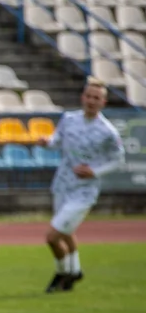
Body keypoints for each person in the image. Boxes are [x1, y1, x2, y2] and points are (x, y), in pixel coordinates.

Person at [39, 78, 125, 293]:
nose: (91, 101)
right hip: (62, 184)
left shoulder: (108, 132)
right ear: (82, 97)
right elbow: (57, 141)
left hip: (84, 191)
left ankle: (62, 273)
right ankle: (74, 271)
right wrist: (47, 142)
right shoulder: (69, 119)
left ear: (103, 103)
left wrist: (94, 171)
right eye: (89, 96)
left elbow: (118, 160)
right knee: (66, 232)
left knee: (52, 236)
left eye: (97, 98)